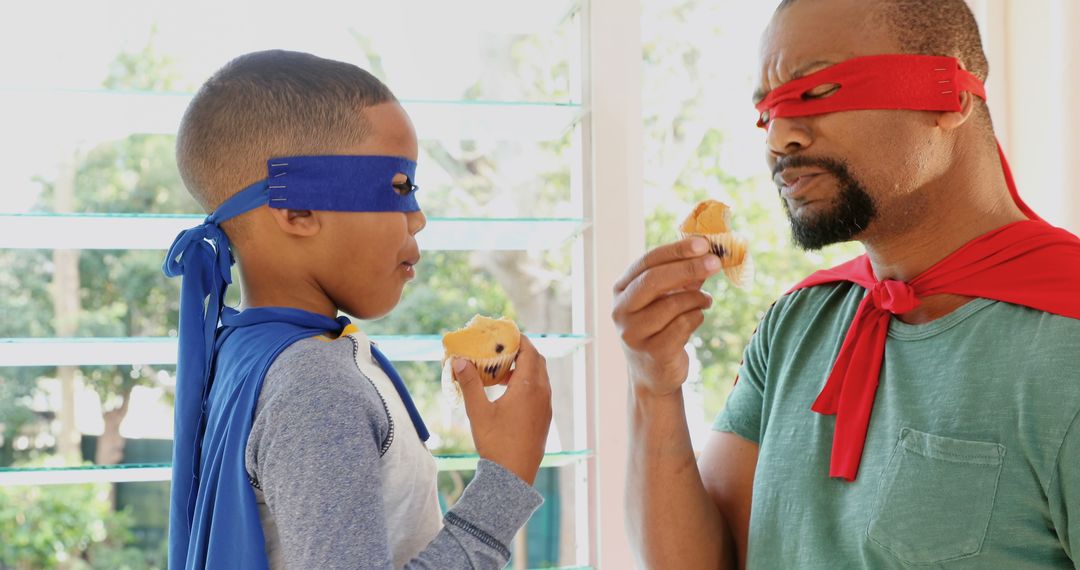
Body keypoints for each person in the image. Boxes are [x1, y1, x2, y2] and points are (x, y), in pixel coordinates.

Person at [614, 0, 1080, 567]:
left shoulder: (1067, 345)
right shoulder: (797, 324)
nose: (779, 136)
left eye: (818, 91)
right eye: (766, 110)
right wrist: (653, 385)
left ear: (949, 96)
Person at [163, 50, 552, 569]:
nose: (417, 218)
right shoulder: (315, 385)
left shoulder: (249, 350)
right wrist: (505, 480)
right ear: (297, 210)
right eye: (398, 188)